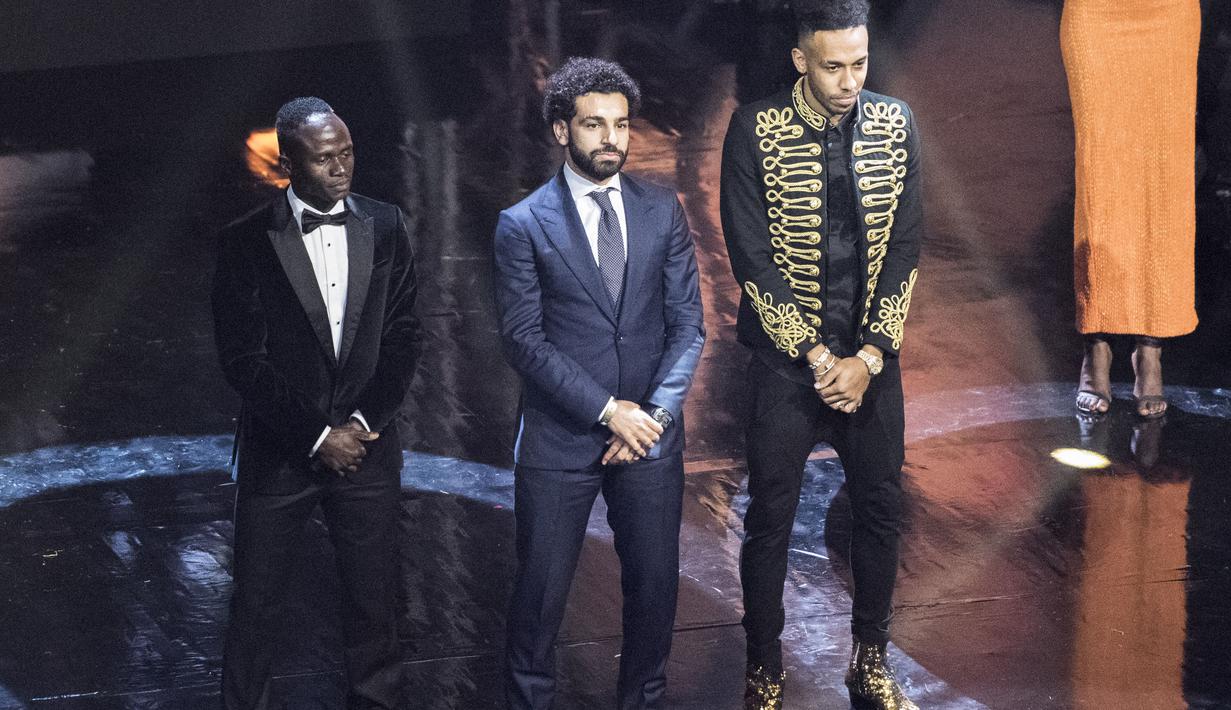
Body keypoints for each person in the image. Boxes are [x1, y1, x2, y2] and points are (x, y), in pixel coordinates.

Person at [719, 0, 921, 707]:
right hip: (786, 361)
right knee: (770, 516)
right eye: (832, 66)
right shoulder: (755, 127)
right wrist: (813, 355)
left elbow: (904, 248)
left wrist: (868, 356)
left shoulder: (894, 125)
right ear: (800, 59)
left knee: (879, 508)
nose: (848, 81)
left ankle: (870, 659)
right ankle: (764, 668)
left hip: (870, 360)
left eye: (859, 64)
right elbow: (749, 254)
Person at [492, 57, 705, 710]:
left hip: (649, 440)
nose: (611, 138)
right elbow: (523, 340)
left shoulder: (659, 209)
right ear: (562, 131)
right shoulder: (523, 223)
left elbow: (688, 326)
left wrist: (654, 418)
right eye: (593, 125)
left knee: (653, 589)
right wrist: (609, 412)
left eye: (620, 124)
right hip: (562, 439)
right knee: (540, 598)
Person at [212, 97, 422, 710]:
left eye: (347, 153)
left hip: (367, 452)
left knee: (374, 606)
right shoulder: (246, 241)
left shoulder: (385, 224)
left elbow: (406, 332)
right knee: (255, 609)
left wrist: (359, 424)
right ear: (288, 164)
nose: (340, 168)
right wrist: (316, 436)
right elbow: (243, 360)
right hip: (281, 456)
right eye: (325, 158)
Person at [1063, 0, 1201, 419]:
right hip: (1096, 14)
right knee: (1100, 175)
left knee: (1164, 178)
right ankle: (1097, 345)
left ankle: (1150, 350)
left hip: (1167, 14)